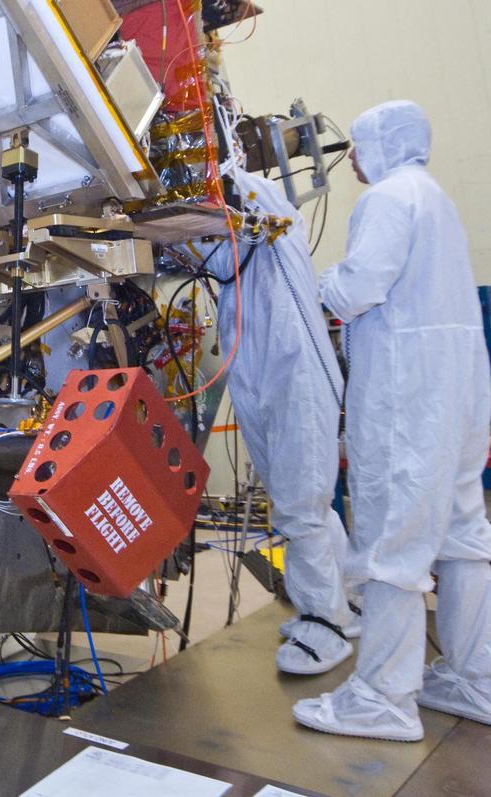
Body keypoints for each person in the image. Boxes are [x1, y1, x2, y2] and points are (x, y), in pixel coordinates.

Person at [294, 100, 491, 741]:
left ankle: (383, 697)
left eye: (357, 146)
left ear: (381, 146)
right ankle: (477, 680)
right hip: (457, 393)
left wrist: (315, 285)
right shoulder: (436, 199)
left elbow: (359, 287)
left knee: (394, 539)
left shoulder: (388, 198)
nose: (352, 159)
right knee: (463, 533)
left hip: (404, 398)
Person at [186, 164, 355, 676]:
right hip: (259, 371)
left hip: (295, 373)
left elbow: (241, 225)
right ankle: (346, 600)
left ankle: (324, 622)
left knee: (302, 503)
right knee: (299, 499)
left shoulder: (261, 202)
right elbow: (211, 256)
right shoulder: (237, 253)